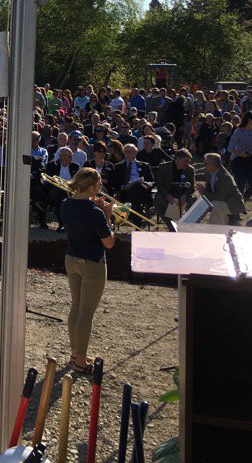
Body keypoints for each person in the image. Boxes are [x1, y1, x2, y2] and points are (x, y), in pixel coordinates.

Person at [60, 168, 115, 373]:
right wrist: (108, 216)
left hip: (71, 258)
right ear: (91, 187)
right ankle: (81, 361)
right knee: (86, 312)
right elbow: (109, 243)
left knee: (76, 307)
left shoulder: (66, 204)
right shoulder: (95, 213)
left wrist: (96, 208)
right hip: (92, 262)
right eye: (99, 185)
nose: (101, 189)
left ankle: (76, 353)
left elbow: (81, 216)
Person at [226, 110, 252, 201]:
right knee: (240, 185)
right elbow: (230, 148)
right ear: (249, 120)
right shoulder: (239, 131)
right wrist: (241, 154)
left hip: (251, 161)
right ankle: (238, 204)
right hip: (238, 161)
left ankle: (243, 200)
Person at [111, 144, 154, 227]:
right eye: (125, 152)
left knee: (137, 187)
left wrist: (147, 184)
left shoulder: (144, 166)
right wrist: (123, 187)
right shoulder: (118, 167)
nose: (127, 154)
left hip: (142, 193)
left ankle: (131, 215)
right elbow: (115, 183)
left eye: (129, 152)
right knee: (135, 196)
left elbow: (152, 181)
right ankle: (138, 221)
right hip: (125, 193)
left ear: (135, 153)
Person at [198, 153, 245, 226]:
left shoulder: (225, 177)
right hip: (222, 202)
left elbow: (219, 197)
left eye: (205, 163)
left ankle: (214, 228)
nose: (204, 165)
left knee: (216, 204)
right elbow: (202, 176)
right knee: (198, 202)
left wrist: (204, 192)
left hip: (233, 204)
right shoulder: (210, 171)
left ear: (213, 164)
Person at [153, 149, 196, 228]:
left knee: (193, 202)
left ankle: (187, 226)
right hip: (167, 193)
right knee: (158, 200)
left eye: (188, 161)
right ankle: (171, 225)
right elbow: (159, 183)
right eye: (185, 161)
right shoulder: (164, 167)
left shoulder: (190, 170)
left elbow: (192, 187)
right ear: (177, 159)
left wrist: (184, 196)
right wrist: (167, 195)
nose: (187, 164)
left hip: (182, 194)